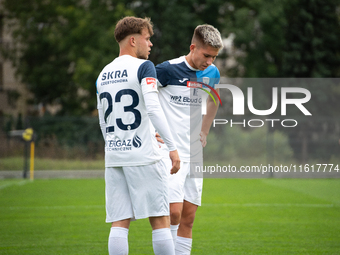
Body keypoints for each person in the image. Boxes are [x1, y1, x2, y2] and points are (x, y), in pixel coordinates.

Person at [96, 16, 180, 255]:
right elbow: (153, 108)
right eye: (147, 38)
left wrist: (116, 144)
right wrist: (172, 147)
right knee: (160, 221)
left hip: (114, 156)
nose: (150, 44)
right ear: (133, 40)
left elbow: (104, 121)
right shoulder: (144, 67)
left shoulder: (102, 74)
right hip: (144, 155)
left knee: (119, 222)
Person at [155, 24, 223, 254]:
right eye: (206, 55)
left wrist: (205, 130)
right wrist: (149, 130)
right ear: (193, 47)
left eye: (214, 57)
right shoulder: (166, 70)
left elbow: (214, 99)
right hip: (169, 152)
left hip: (194, 152)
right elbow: (144, 99)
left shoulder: (212, 73)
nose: (210, 62)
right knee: (173, 212)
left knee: (189, 217)